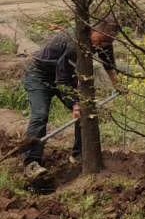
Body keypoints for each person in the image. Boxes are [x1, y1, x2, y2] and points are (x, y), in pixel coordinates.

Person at [23, 17, 121, 177]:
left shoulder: (104, 41)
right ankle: (31, 163)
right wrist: (74, 104)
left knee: (85, 109)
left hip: (65, 75)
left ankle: (78, 155)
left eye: (108, 43)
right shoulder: (74, 43)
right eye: (101, 41)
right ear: (93, 30)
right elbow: (61, 80)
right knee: (40, 116)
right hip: (40, 76)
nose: (102, 46)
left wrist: (118, 85)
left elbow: (108, 63)